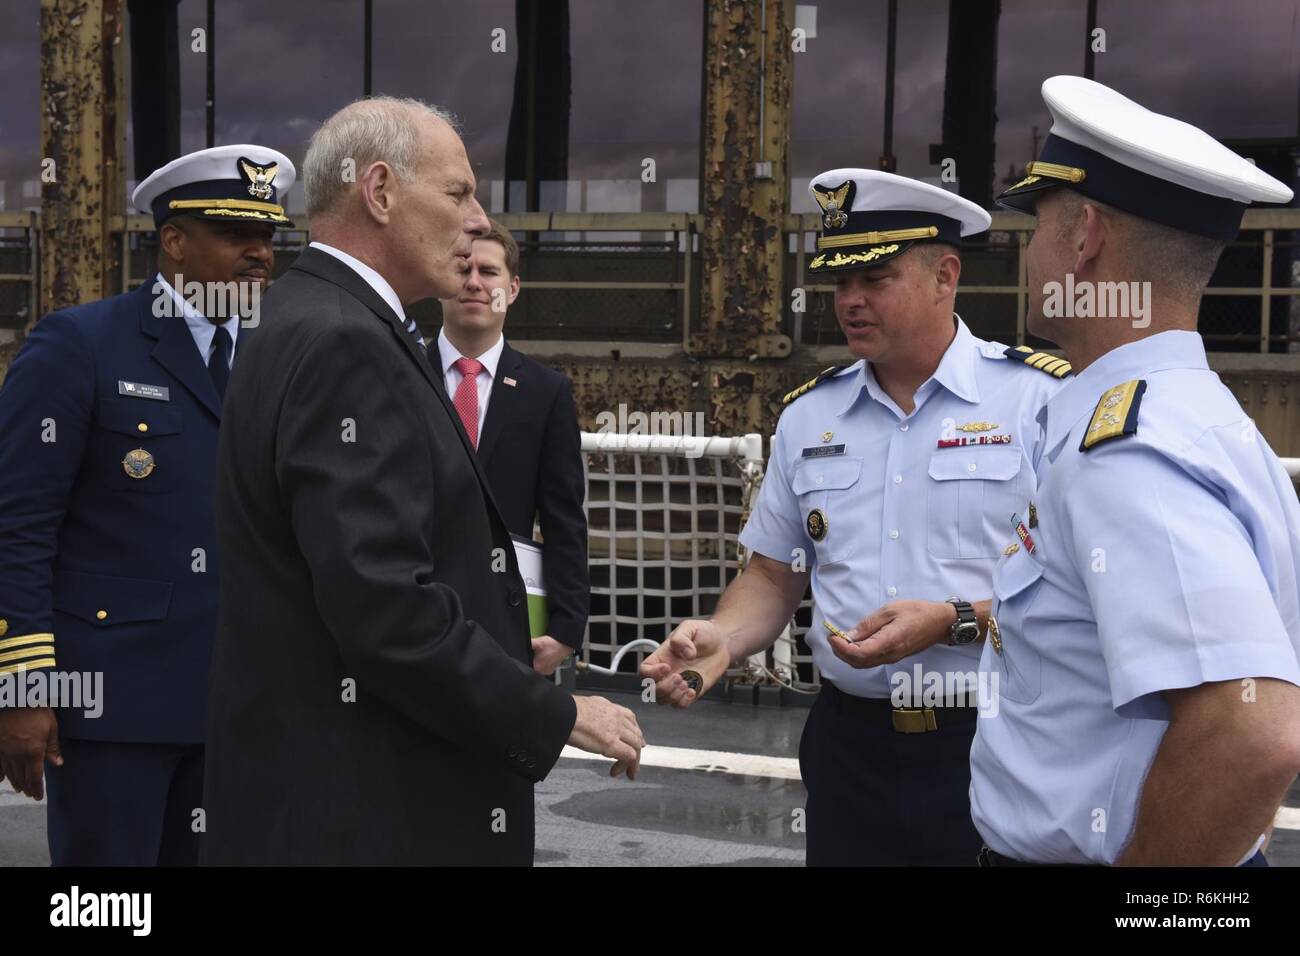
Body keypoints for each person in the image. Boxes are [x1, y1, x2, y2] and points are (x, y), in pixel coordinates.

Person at [202, 96, 643, 866]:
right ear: (378, 192)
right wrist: (550, 709)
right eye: (458, 192)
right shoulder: (348, 343)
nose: (478, 219)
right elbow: (385, 610)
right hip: (370, 811)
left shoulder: (307, 317)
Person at [641, 169, 1068, 865]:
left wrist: (956, 620)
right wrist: (722, 636)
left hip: (994, 739)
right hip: (849, 751)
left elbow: (1077, 588)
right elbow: (774, 575)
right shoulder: (810, 415)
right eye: (840, 283)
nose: (850, 301)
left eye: (875, 279)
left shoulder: (1038, 403)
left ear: (945, 275)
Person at [969, 75, 1300, 867]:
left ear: (1084, 237)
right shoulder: (1198, 418)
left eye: (1039, 224)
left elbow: (1253, 734)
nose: (1029, 251)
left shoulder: (1128, 453)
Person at [0, 144, 293, 864]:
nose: (259, 254)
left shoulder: (279, 354)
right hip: (114, 706)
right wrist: (25, 687)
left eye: (268, 238)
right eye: (235, 237)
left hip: (245, 707)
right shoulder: (81, 345)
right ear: (173, 242)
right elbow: (19, 527)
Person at [436, 219, 589, 677]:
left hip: (506, 622)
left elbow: (564, 518)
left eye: (489, 271)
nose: (475, 283)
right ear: (441, 279)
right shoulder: (398, 373)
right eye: (462, 269)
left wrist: (565, 628)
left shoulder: (546, 393)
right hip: (411, 612)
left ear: (513, 287)